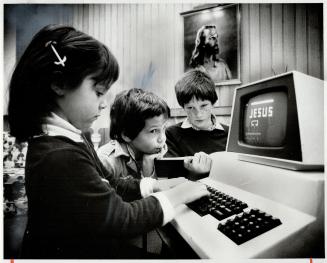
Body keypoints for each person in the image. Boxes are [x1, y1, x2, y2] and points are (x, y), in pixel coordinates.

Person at [7, 24, 208, 259]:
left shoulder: (72, 138)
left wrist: (155, 185)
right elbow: (122, 219)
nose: (104, 104)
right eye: (99, 92)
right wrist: (180, 194)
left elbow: (112, 183)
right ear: (59, 84)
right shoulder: (58, 155)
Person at [97, 88, 212, 180]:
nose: (162, 139)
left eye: (163, 128)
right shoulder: (106, 162)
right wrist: (147, 177)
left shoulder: (154, 152)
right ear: (126, 134)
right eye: (153, 131)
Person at [165, 69, 229, 158]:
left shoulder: (230, 134)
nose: (198, 114)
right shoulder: (171, 134)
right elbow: (171, 171)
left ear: (213, 103)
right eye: (190, 107)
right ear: (183, 107)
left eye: (203, 106)